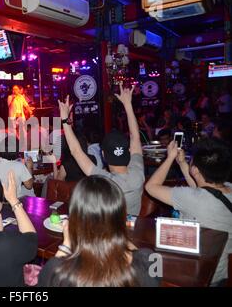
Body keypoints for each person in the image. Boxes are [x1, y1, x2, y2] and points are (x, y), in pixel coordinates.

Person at [38, 176, 160, 287]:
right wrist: (118, 230)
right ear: (122, 215)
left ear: (75, 219)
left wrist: (65, 245)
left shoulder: (55, 270)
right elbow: (155, 279)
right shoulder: (153, 259)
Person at [145, 138, 232, 286]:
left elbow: (151, 187)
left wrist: (170, 158)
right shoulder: (228, 188)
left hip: (195, 276)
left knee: (144, 259)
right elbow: (205, 190)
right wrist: (183, 164)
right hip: (221, 274)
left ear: (195, 170)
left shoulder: (190, 198)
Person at [58, 82, 145, 216]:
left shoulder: (104, 181)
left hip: (106, 233)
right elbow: (135, 138)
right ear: (128, 152)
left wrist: (65, 120)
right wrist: (128, 104)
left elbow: (76, 151)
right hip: (132, 232)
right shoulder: (138, 174)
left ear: (103, 154)